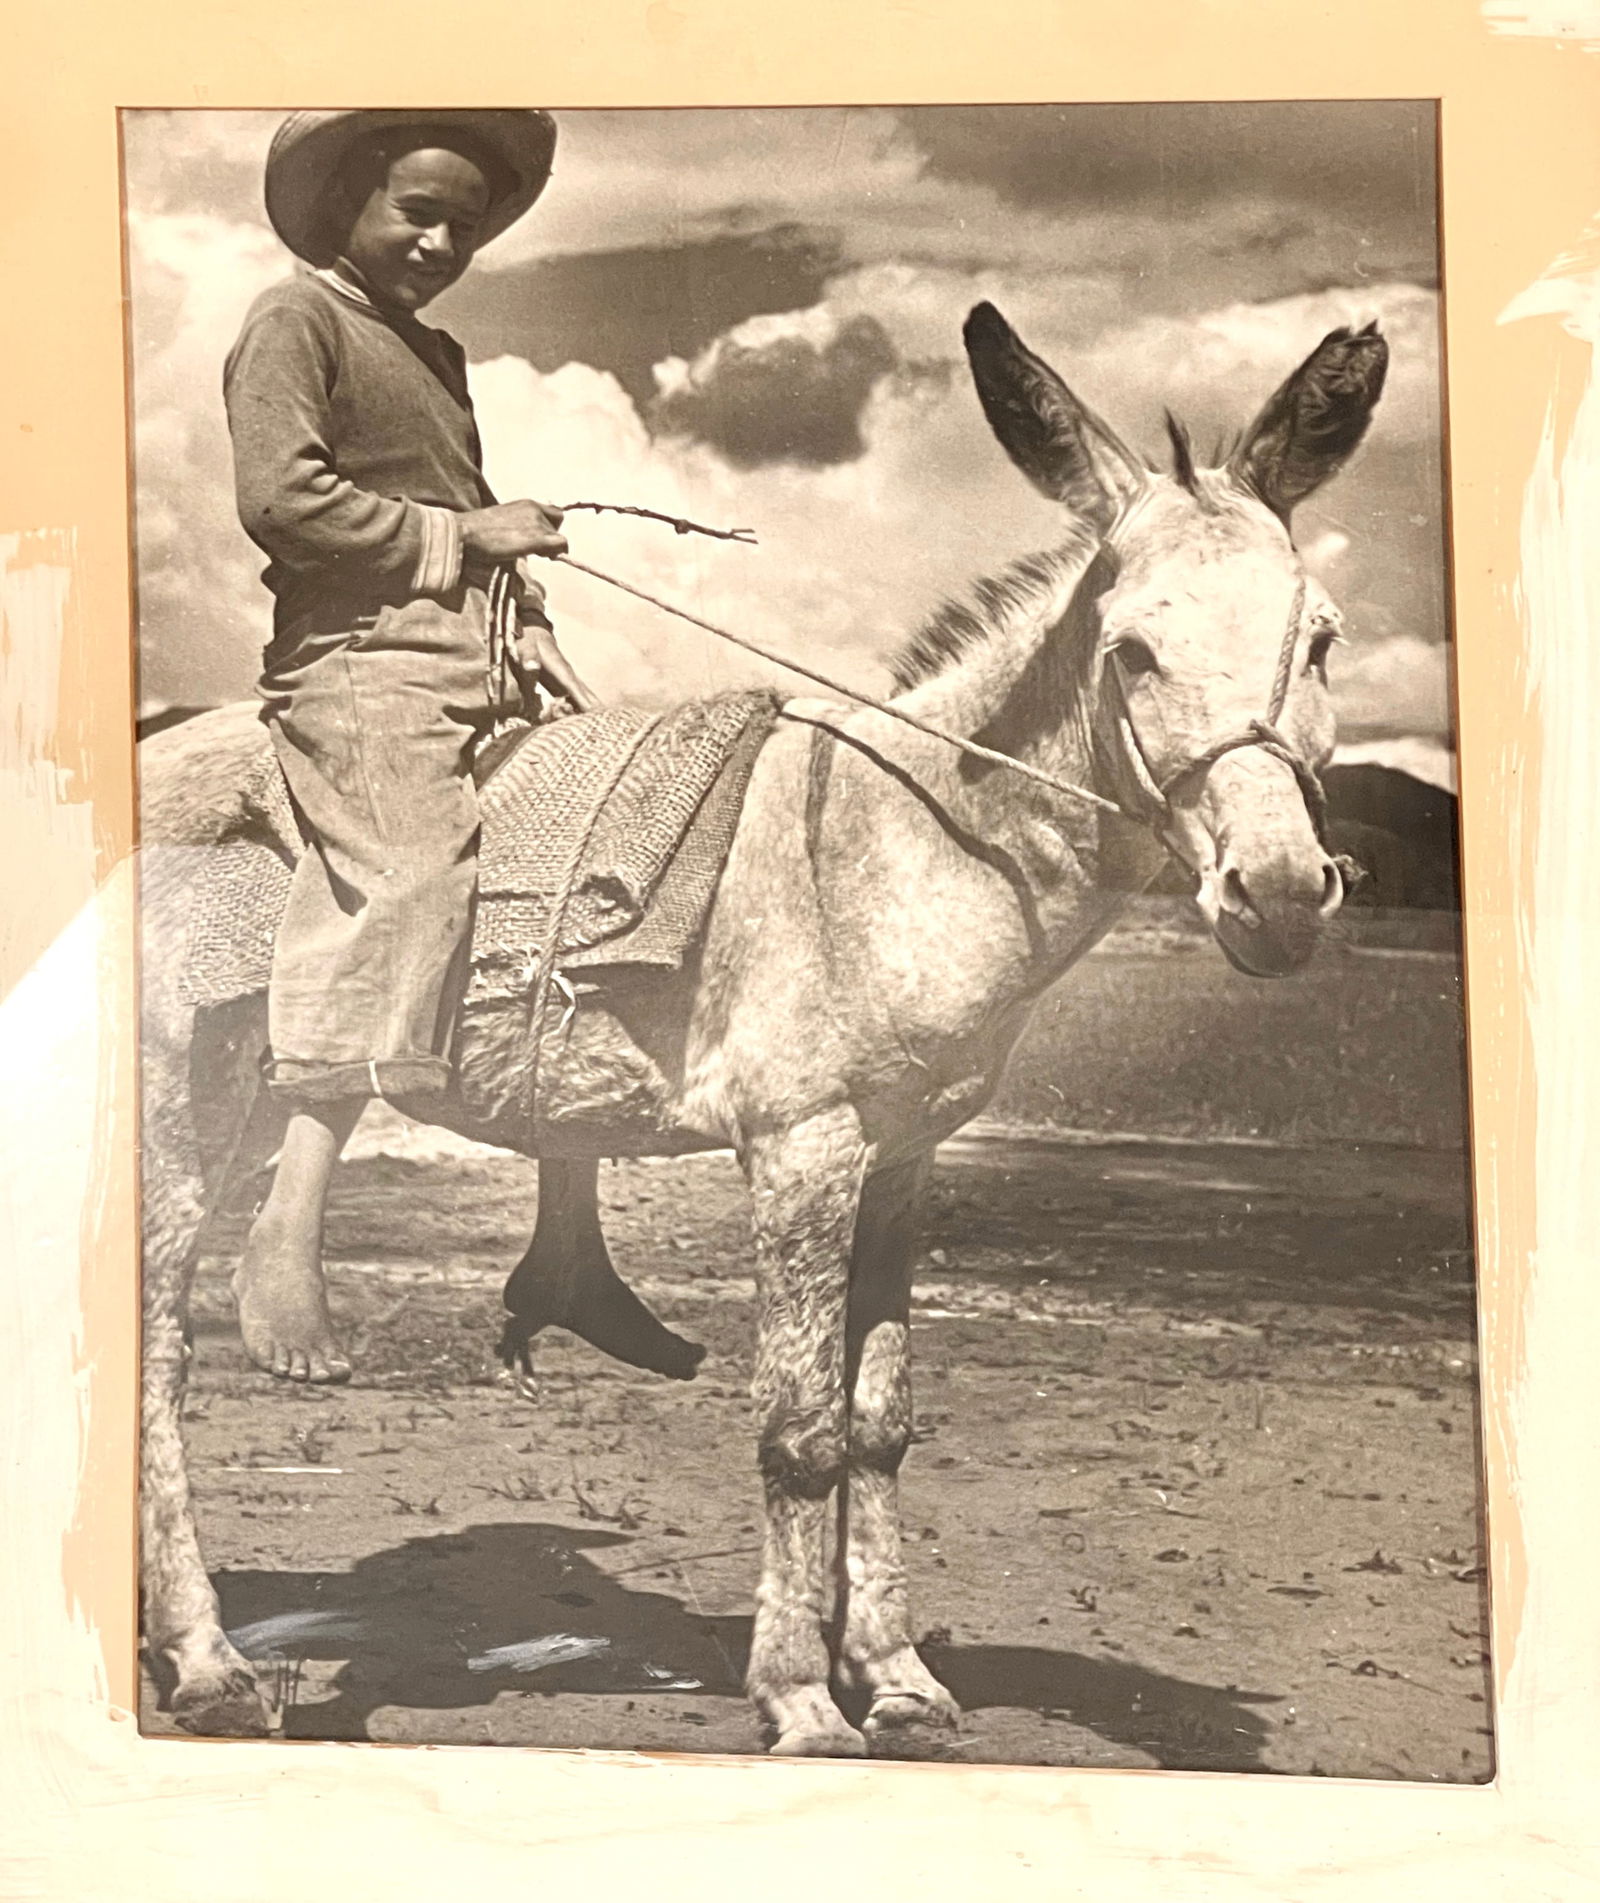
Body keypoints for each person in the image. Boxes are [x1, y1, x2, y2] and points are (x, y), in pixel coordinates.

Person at [224, 110, 598, 1383]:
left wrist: (529, 622)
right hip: (359, 660)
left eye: (464, 226)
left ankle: (570, 1246)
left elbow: (467, 509)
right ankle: (286, 1229)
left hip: (475, 658)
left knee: (591, 872)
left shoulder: (436, 354)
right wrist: (465, 543)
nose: (441, 242)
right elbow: (280, 496)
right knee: (411, 870)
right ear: (348, 202)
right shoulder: (296, 320)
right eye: (416, 213)